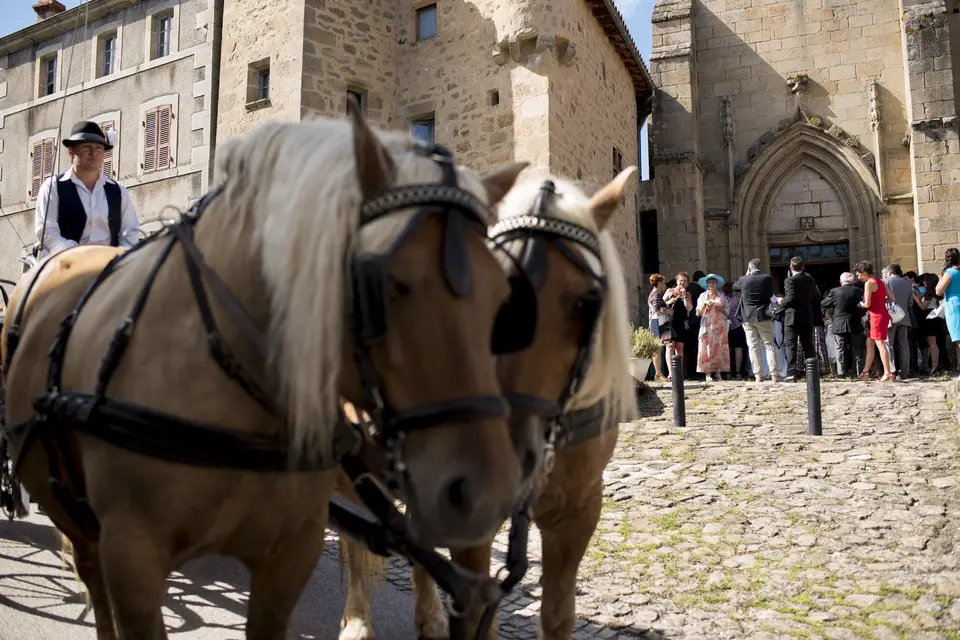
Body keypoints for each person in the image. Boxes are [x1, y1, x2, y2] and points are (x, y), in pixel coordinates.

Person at [34, 120, 141, 258]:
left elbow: (130, 232)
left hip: (110, 263)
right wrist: (77, 254)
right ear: (71, 150)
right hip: (66, 261)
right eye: (86, 147)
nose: (93, 153)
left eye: (98, 148)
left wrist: (120, 256)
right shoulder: (53, 187)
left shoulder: (118, 191)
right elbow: (47, 231)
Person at [733, 258, 780, 384]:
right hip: (763, 315)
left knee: (753, 347)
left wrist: (746, 275)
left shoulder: (743, 279)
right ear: (760, 267)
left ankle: (758, 376)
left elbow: (734, 287)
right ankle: (775, 375)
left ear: (749, 268)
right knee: (769, 345)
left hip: (748, 317)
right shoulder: (768, 278)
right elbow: (770, 294)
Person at [777, 256, 819, 382]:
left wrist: (781, 301)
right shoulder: (810, 279)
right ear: (803, 267)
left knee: (791, 345)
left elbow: (790, 298)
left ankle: (791, 373)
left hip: (792, 316)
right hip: (806, 315)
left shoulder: (789, 280)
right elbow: (815, 295)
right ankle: (811, 373)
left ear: (791, 267)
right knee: (808, 345)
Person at [855, 259, 895, 381]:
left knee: (880, 344)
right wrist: (880, 301)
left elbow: (867, 304)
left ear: (864, 272)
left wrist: (861, 304)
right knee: (870, 344)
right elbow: (892, 298)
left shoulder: (869, 283)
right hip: (881, 315)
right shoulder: (881, 282)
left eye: (859, 274)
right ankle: (866, 371)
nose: (858, 277)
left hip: (876, 317)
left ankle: (888, 373)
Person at [820, 272, 864, 377]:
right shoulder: (858, 291)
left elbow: (824, 303)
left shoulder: (834, 291)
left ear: (840, 281)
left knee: (839, 349)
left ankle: (841, 373)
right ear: (853, 281)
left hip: (839, 322)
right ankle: (858, 372)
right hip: (854, 322)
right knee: (856, 349)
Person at [695, 273, 730, 382]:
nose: (711, 284)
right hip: (707, 326)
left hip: (719, 326)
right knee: (707, 348)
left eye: (713, 282)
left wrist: (721, 309)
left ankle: (718, 372)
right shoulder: (702, 296)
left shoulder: (721, 295)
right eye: (709, 282)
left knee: (719, 349)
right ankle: (708, 373)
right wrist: (705, 305)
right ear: (706, 284)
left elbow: (728, 311)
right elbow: (698, 313)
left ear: (717, 284)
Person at [884, 263, 915, 379]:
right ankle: (904, 371)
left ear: (889, 272)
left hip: (890, 317)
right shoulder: (908, 283)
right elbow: (910, 303)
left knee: (889, 344)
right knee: (904, 345)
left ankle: (891, 371)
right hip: (904, 316)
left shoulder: (886, 282)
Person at [663, 272, 694, 381]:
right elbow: (660, 304)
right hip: (669, 321)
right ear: (676, 281)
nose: (682, 283)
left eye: (685, 281)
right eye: (681, 280)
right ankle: (671, 373)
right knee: (670, 346)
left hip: (681, 322)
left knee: (680, 347)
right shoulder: (670, 291)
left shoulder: (688, 294)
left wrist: (685, 296)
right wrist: (669, 301)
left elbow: (689, 308)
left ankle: (679, 373)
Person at [935, 247, 960, 380]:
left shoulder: (949, 272)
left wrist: (941, 278)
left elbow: (938, 291)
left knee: (958, 336)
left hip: (954, 305)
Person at [647, 274, 672, 381]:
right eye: (663, 282)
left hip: (659, 322)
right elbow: (657, 310)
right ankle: (658, 373)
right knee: (657, 349)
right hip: (657, 322)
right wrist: (668, 310)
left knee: (660, 348)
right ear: (658, 283)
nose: (665, 284)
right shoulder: (655, 294)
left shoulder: (656, 294)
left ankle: (659, 373)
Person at [722, 281, 747, 379]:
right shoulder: (737, 299)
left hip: (725, 326)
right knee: (738, 349)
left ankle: (728, 372)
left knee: (727, 349)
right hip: (737, 325)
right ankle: (738, 372)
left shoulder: (721, 299)